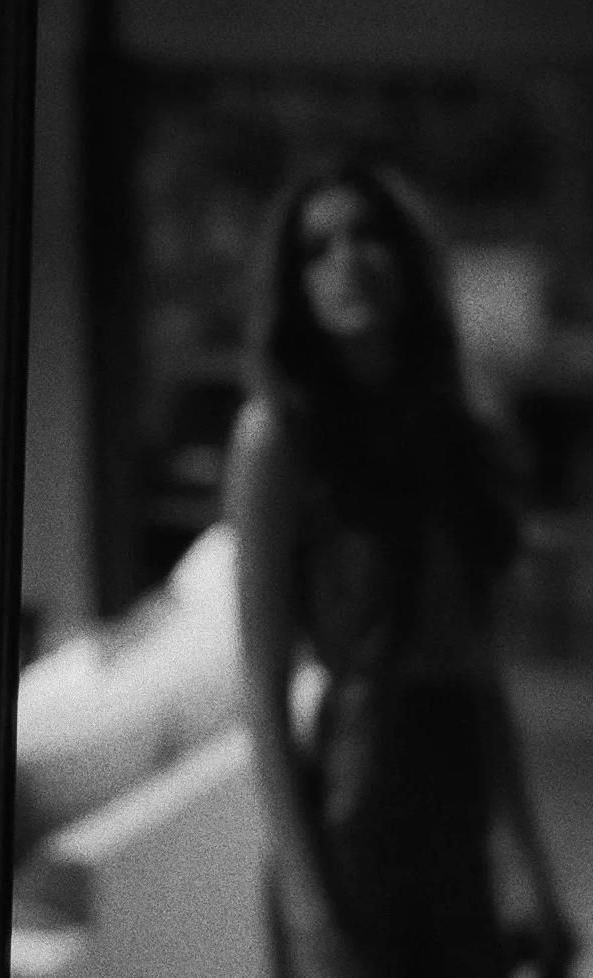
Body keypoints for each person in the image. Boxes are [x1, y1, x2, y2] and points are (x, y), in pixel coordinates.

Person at [224, 153, 575, 977]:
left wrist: (528, 860)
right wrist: (308, 904)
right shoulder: (277, 439)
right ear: (295, 286)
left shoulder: (451, 431)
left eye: (367, 235)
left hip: (456, 792)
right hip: (354, 800)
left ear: (407, 258)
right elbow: (262, 685)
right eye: (317, 249)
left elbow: (476, 669)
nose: (347, 260)